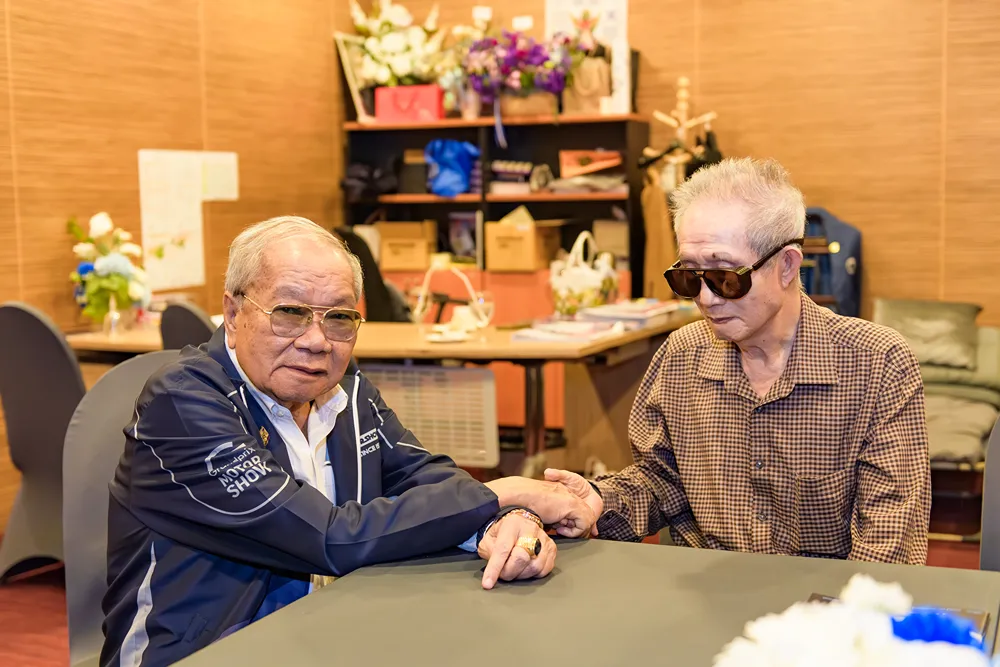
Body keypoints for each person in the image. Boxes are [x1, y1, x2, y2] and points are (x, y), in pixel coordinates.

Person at [101, 216, 593, 666]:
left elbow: (427, 478)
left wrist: (505, 520)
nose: (317, 341)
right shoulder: (183, 402)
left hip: (332, 634)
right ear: (233, 313)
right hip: (203, 652)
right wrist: (503, 493)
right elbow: (326, 537)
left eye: (338, 317)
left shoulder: (347, 391)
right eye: (290, 312)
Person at [546, 157, 931, 564]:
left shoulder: (877, 365)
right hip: (706, 590)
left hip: (824, 600)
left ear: (787, 266)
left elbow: (887, 543)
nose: (705, 299)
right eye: (689, 277)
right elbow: (661, 482)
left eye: (726, 278)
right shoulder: (680, 357)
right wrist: (599, 500)